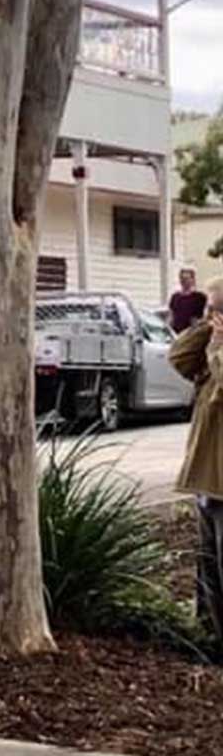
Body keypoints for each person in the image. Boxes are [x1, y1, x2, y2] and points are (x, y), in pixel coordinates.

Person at [171, 278, 223, 648]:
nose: (213, 317)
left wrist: (218, 346)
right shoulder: (210, 347)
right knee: (206, 563)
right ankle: (209, 636)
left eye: (217, 311)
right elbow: (178, 358)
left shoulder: (219, 355)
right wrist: (206, 328)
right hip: (207, 477)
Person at [171, 266, 208, 333]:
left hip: (192, 333)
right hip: (177, 333)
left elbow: (205, 316)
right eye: (181, 278)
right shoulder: (175, 297)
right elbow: (171, 316)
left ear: (193, 280)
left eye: (186, 278)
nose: (183, 281)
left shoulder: (199, 297)